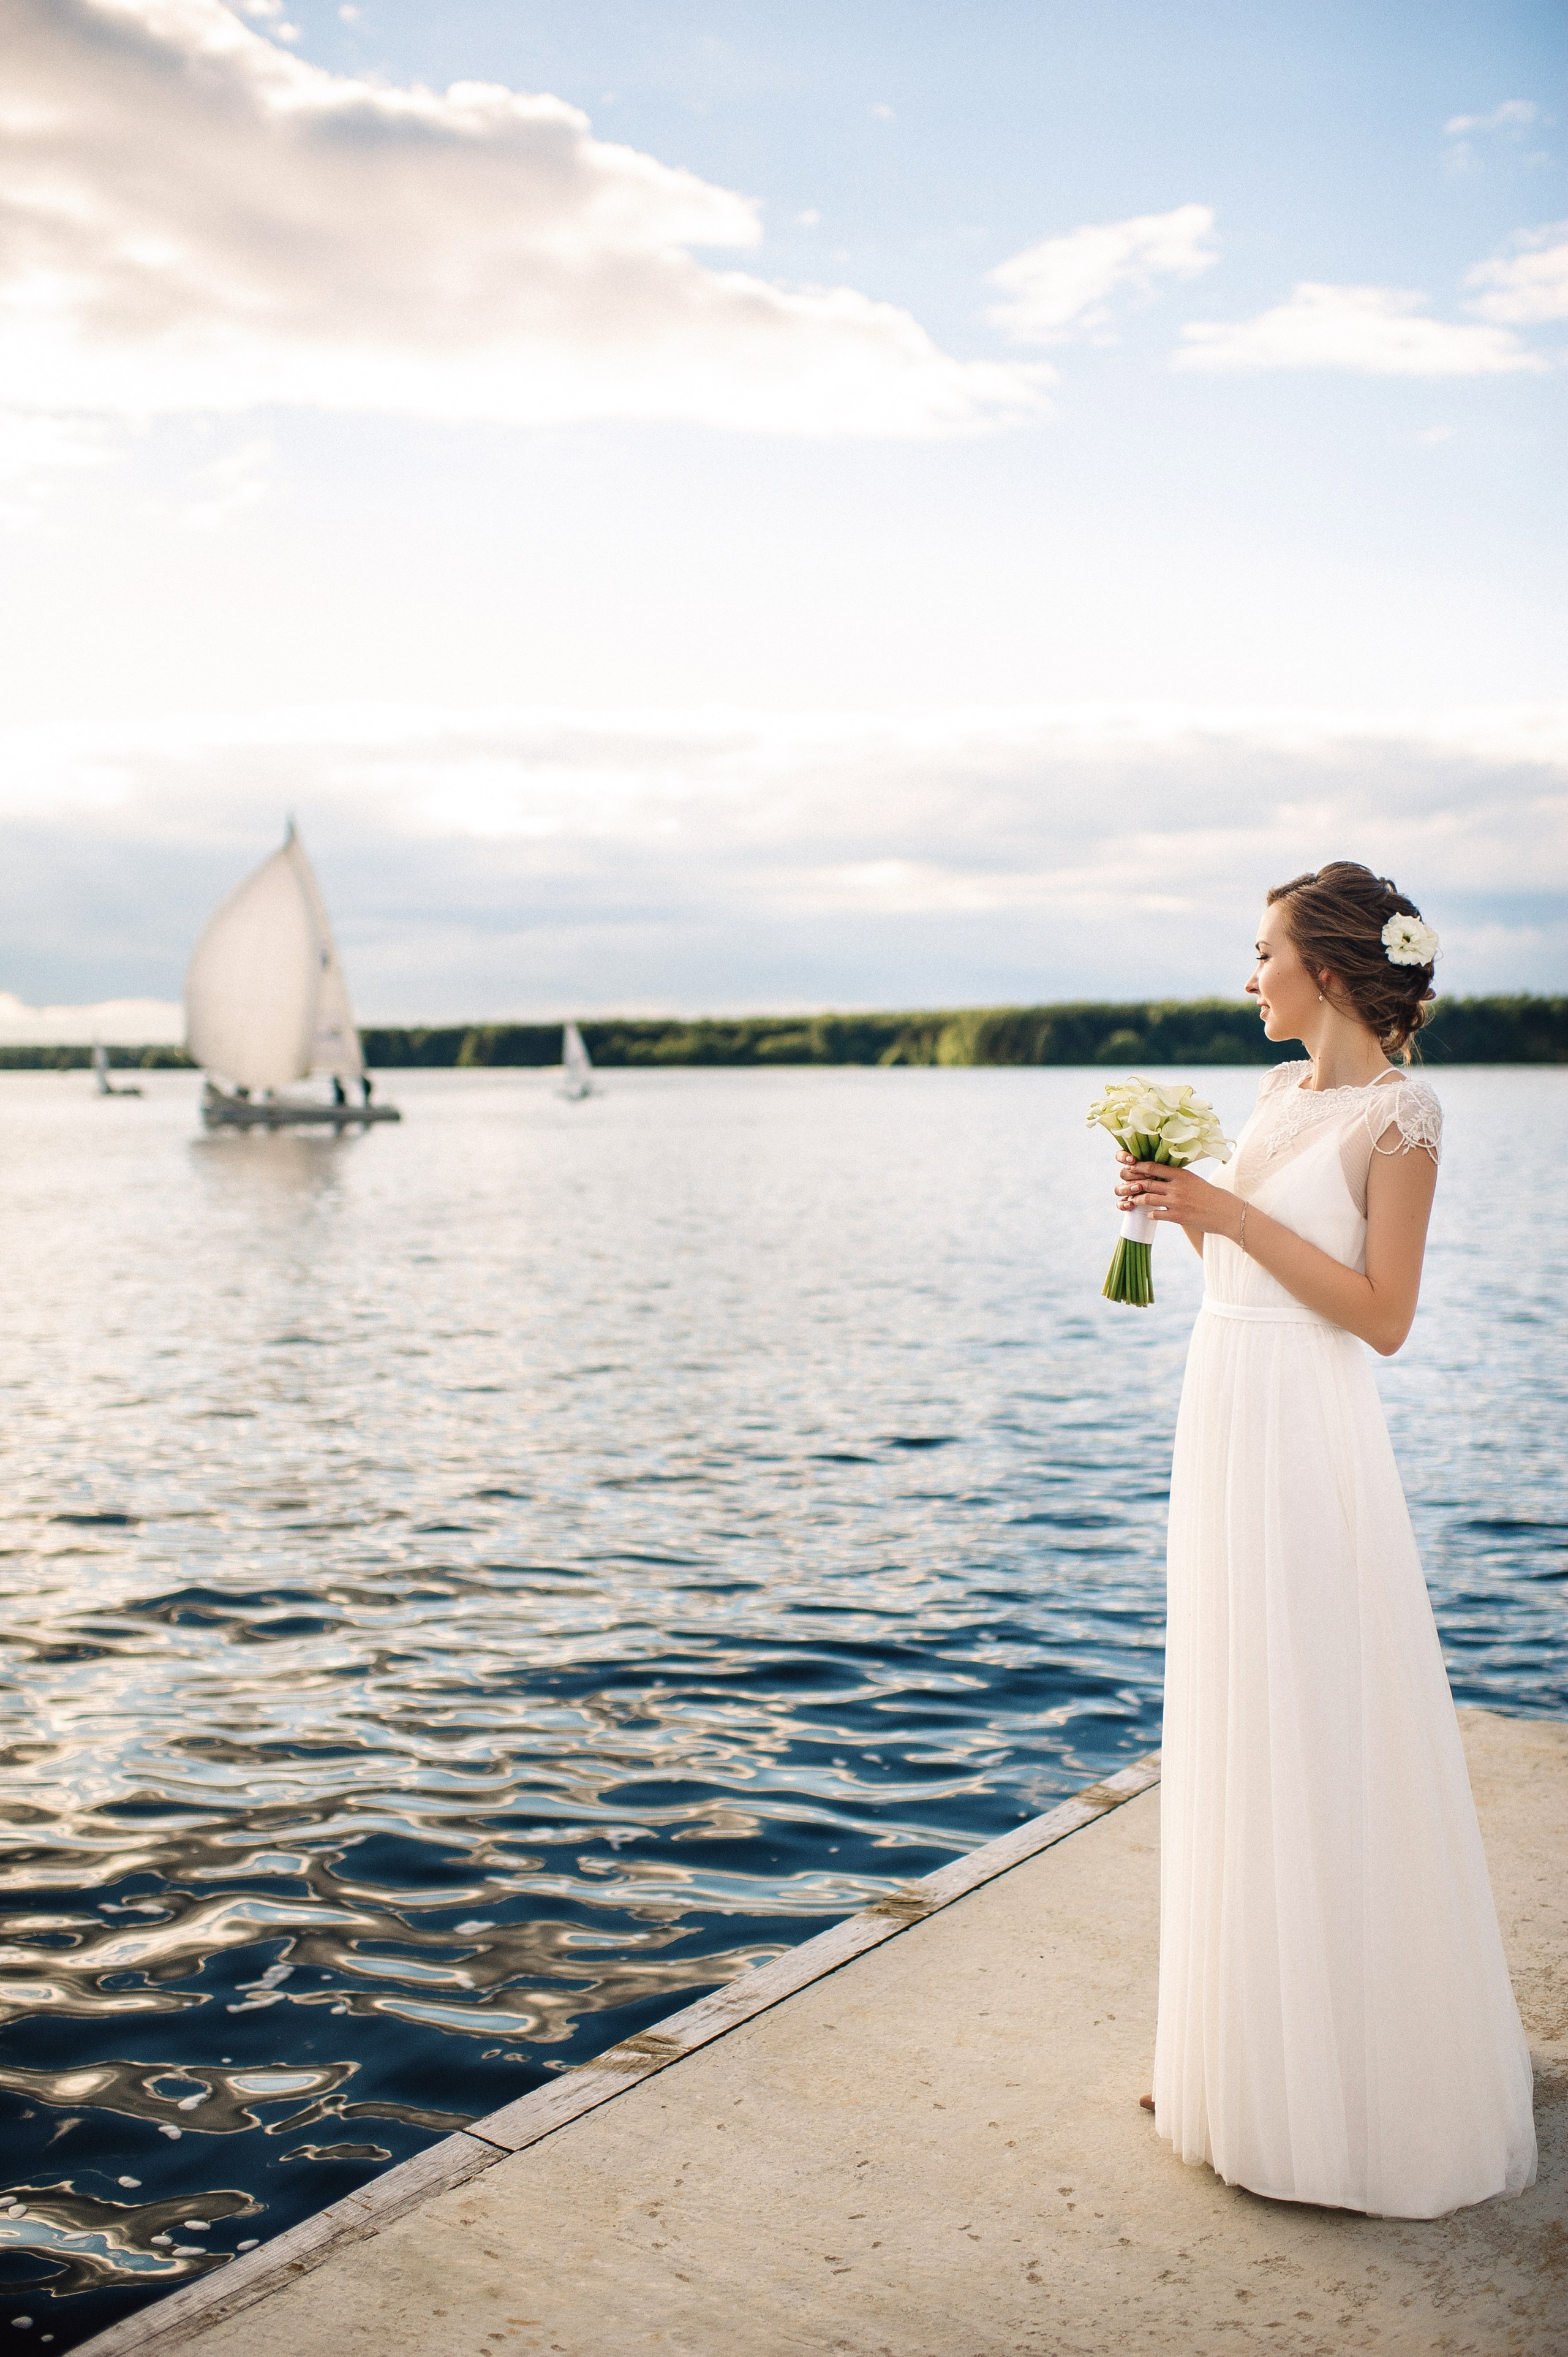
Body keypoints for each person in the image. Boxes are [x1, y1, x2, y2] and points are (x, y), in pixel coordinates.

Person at [1117, 861, 1536, 2219]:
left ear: (1333, 972)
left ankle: (1348, 2081)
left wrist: (1228, 1211)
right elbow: (1242, 1275)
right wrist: (1180, 1208)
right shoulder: (1271, 1093)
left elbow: (1381, 1316)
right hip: (1224, 1404)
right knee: (1234, 1709)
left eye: (1264, 954)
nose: (1248, 977)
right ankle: (1236, 2052)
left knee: (1315, 1711)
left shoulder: (1402, 1117)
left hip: (1307, 1425)